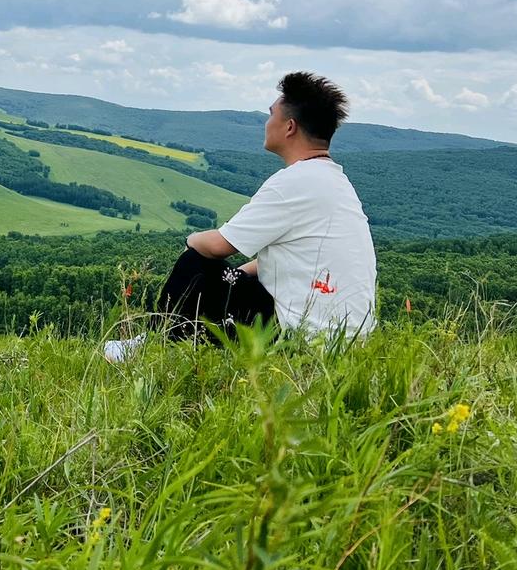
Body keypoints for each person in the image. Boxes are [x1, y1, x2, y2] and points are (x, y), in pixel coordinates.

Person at [104, 71, 376, 361]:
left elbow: (218, 246)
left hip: (300, 339)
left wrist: (191, 239)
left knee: (195, 261)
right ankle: (164, 336)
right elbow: (295, 259)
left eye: (271, 114)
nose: (266, 122)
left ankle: (157, 345)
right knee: (226, 274)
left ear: (289, 127)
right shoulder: (335, 183)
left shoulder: (292, 183)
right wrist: (236, 274)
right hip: (343, 340)